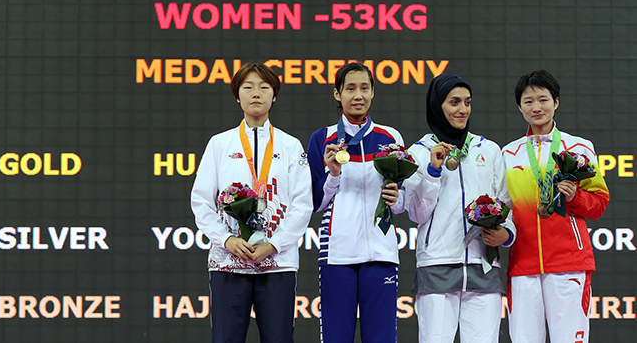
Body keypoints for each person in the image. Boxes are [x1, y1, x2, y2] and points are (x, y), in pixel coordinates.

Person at [190, 62, 312, 343]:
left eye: (264, 87)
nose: (256, 93)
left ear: (274, 96)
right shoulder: (219, 144)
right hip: (229, 262)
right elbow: (201, 201)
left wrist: (274, 243)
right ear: (237, 96)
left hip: (277, 262)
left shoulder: (290, 146)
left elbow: (303, 203)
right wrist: (226, 240)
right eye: (248, 87)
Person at [405, 74, 516, 343]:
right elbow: (416, 213)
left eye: (467, 102)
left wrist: (506, 233)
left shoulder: (488, 150)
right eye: (454, 102)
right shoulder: (420, 152)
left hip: (483, 266)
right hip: (437, 267)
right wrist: (433, 172)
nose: (463, 109)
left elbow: (506, 204)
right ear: (437, 106)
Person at [502, 70, 609, 343]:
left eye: (543, 99)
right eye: (528, 101)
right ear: (520, 107)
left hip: (569, 264)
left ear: (556, 102)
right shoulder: (507, 154)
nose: (536, 107)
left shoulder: (579, 148)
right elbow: (503, 209)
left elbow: (598, 204)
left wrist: (574, 197)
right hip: (523, 264)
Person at [306, 62, 405, 343]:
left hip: (382, 255)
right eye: (350, 88)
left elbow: (402, 200)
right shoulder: (322, 138)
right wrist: (333, 175)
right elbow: (315, 202)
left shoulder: (391, 137)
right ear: (337, 94)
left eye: (364, 88)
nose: (357, 95)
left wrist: (397, 199)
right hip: (337, 256)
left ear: (373, 93)